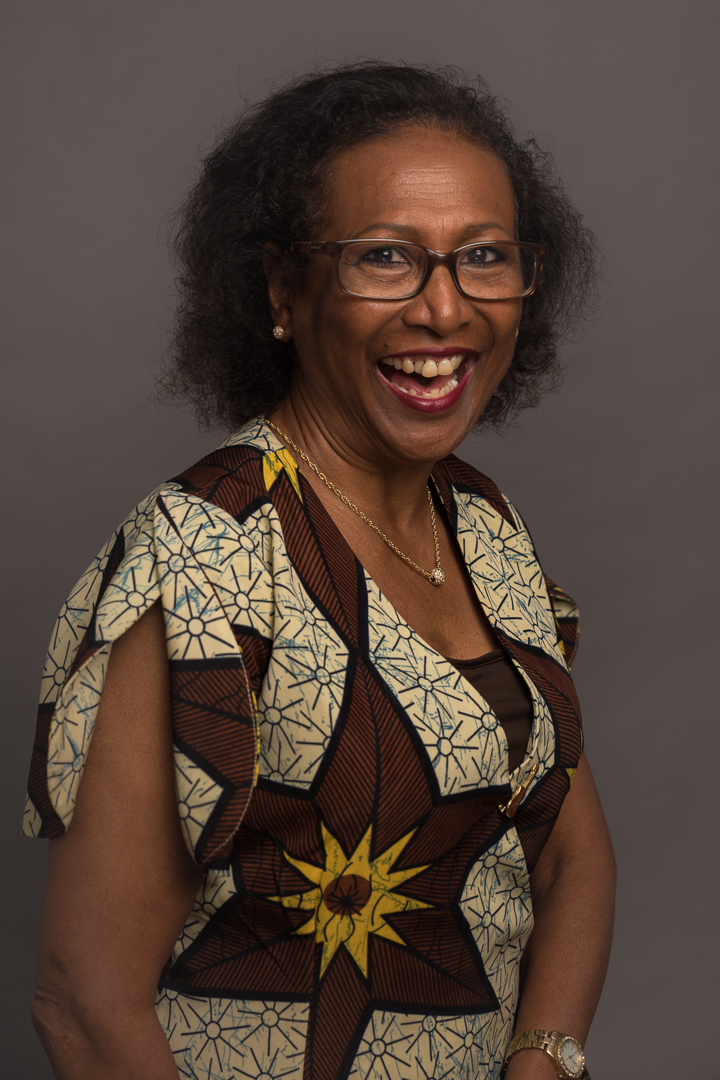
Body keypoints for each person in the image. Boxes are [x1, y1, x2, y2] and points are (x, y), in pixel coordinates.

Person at [24, 62, 615, 1080]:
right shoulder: (200, 559)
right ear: (282, 293)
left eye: (484, 256)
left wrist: (542, 1058)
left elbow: (569, 851)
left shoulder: (482, 524)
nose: (445, 309)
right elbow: (82, 1004)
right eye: (384, 257)